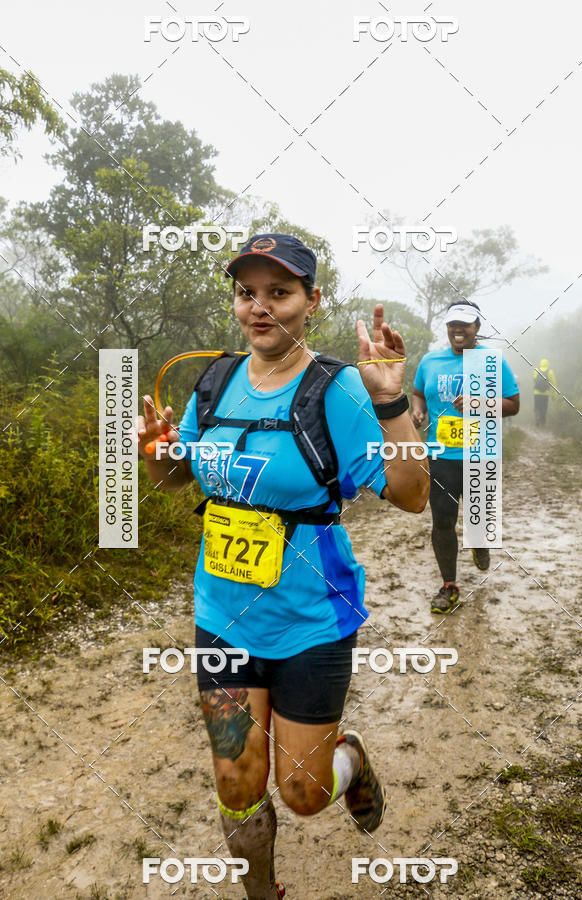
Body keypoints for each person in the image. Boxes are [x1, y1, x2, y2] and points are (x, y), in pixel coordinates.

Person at [137, 233, 430, 899]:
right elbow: (178, 478)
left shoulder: (339, 390)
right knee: (236, 779)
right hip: (223, 620)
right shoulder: (212, 382)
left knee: (300, 792)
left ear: (311, 301)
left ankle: (348, 762)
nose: (259, 306)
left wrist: (389, 404)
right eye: (247, 293)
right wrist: (157, 452)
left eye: (279, 292)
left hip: (311, 624)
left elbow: (413, 497)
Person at [411, 300, 520, 615]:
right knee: (442, 522)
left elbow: (512, 404)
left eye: (465, 324)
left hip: (481, 454)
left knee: (480, 520)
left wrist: (480, 403)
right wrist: (418, 411)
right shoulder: (431, 361)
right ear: (446, 327)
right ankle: (449, 586)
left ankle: (481, 544)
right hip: (441, 456)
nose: (458, 330)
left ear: (477, 327)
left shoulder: (489, 361)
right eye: (452, 324)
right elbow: (418, 392)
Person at [533, 358, 556, 427]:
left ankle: (537, 417)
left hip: (536, 393)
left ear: (540, 363)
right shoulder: (550, 372)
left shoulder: (536, 370)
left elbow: (534, 380)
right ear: (547, 364)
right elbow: (554, 384)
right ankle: (543, 424)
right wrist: (554, 395)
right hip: (545, 394)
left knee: (537, 407)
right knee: (544, 408)